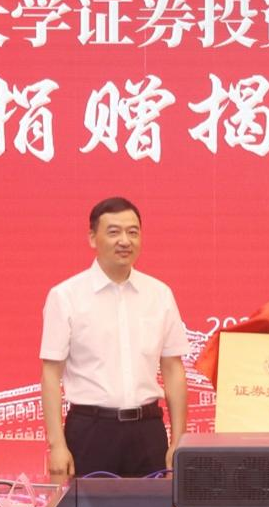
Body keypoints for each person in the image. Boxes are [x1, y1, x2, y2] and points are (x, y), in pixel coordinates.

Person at [39, 197, 189, 481]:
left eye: (133, 232)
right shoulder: (66, 296)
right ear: (92, 238)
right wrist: (57, 445)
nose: (125, 241)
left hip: (148, 431)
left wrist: (179, 440)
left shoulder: (159, 294)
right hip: (90, 431)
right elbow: (50, 374)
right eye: (113, 232)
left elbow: (173, 368)